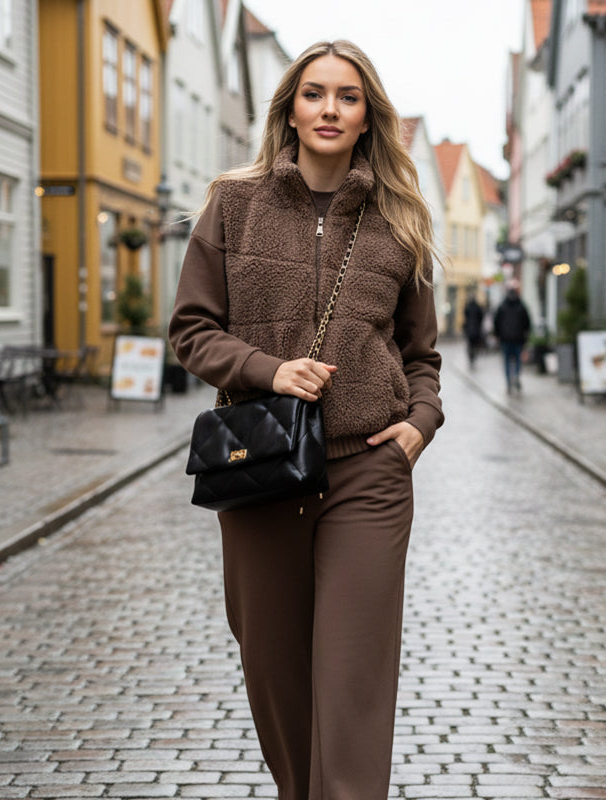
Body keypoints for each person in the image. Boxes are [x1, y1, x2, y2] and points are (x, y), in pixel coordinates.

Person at [169, 40, 443, 800]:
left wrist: (420, 424)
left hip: (368, 475)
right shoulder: (233, 203)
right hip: (259, 471)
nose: (329, 109)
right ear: (290, 107)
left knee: (352, 685)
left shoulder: (400, 220)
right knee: (276, 678)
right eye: (315, 93)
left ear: (367, 117)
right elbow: (191, 330)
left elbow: (423, 356)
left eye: (347, 97)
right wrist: (269, 371)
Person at [493, 279, 531, 393]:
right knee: (517, 360)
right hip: (518, 339)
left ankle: (509, 382)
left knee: (506, 361)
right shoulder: (521, 305)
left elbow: (496, 322)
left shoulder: (502, 306)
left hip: (505, 339)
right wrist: (525, 335)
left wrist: (498, 335)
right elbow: (527, 322)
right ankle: (517, 376)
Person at [462, 290, 485, 366]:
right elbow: (481, 317)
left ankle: (471, 357)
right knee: (475, 345)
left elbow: (465, 316)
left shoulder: (468, 306)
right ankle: (473, 357)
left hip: (469, 329)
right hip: (476, 329)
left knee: (470, 344)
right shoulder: (478, 307)